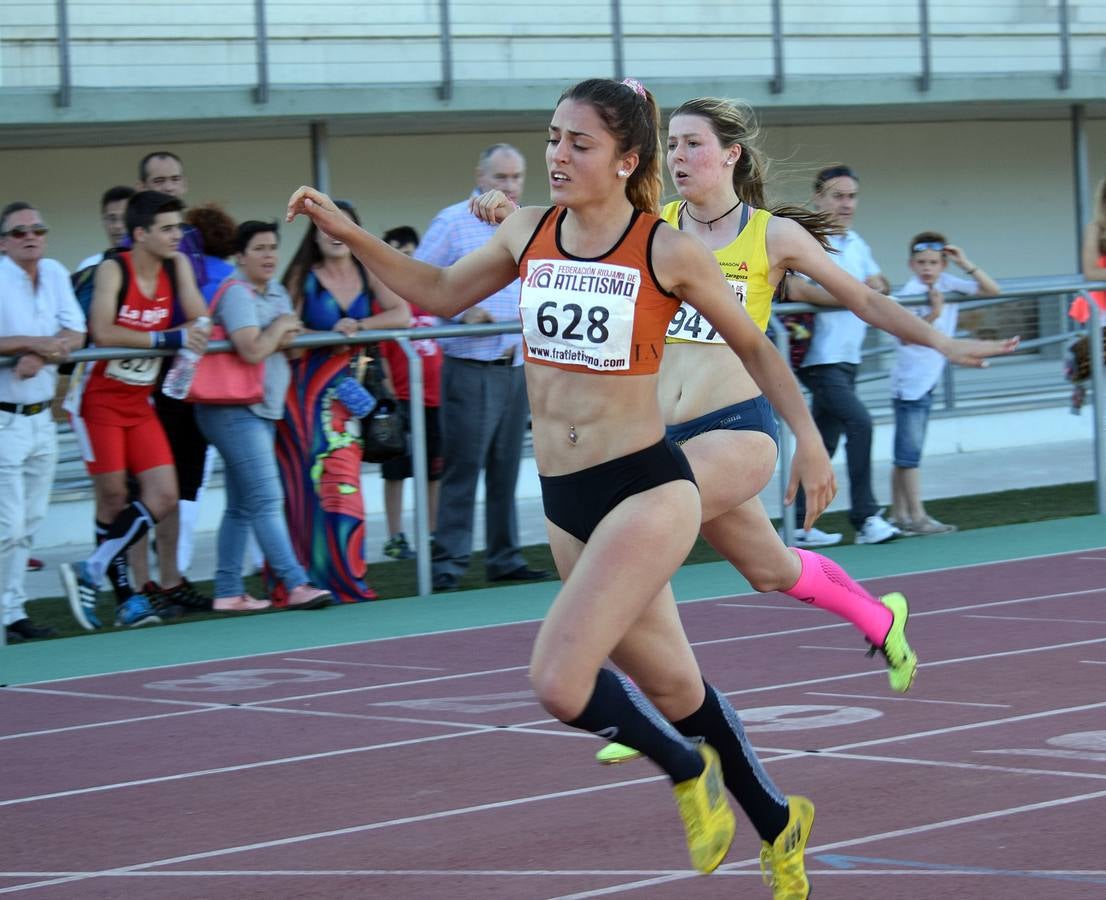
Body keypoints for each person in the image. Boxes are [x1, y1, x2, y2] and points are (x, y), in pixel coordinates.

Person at [289, 77, 842, 898]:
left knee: (557, 680)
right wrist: (350, 234)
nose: (556, 155)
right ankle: (777, 820)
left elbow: (757, 350)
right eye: (553, 138)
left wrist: (806, 442)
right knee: (673, 686)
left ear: (625, 160)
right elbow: (439, 292)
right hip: (564, 497)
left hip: (648, 487)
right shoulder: (528, 230)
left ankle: (689, 770)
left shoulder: (667, 250)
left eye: (578, 143)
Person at [475, 98, 1016, 772]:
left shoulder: (771, 236)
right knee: (770, 569)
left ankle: (647, 695)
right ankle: (882, 619)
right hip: (660, 434)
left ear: (730, 154)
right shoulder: (655, 227)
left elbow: (865, 300)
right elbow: (568, 230)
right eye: (670, 145)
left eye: (693, 145)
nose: (678, 159)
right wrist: (506, 218)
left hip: (732, 428)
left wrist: (944, 343)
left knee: (633, 537)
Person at [59, 191, 209, 629]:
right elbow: (103, 332)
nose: (176, 236)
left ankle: (92, 565)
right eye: (166, 228)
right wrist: (168, 338)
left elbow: (200, 323)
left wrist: (187, 330)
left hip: (139, 402)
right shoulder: (114, 268)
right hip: (97, 401)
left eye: (178, 227)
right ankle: (126, 599)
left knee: (163, 495)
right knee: (113, 499)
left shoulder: (175, 264)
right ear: (139, 234)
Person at [415, 144, 548, 591]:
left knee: (508, 466)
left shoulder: (528, 222)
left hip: (516, 364)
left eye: (516, 177)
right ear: (479, 175)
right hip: (471, 363)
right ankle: (448, 565)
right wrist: (458, 313)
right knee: (463, 468)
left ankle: (504, 556)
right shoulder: (453, 221)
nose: (510, 186)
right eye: (501, 177)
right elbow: (417, 280)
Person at [193, 221, 334, 612]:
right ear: (240, 256)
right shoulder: (237, 293)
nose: (269, 255)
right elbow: (252, 349)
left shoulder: (275, 293)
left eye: (273, 247)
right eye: (259, 248)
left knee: (241, 505)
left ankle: (227, 591)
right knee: (268, 498)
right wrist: (279, 328)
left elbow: (291, 350)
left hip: (262, 408)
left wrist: (280, 332)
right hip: (234, 410)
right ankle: (297, 583)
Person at [279, 199, 410, 603]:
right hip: (304, 397)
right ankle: (304, 578)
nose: (332, 234)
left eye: (340, 225)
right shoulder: (303, 275)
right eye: (323, 226)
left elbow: (401, 314)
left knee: (345, 481)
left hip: (350, 397)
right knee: (306, 485)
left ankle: (347, 576)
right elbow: (286, 330)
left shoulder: (367, 269)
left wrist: (359, 326)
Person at [792, 164, 900, 547]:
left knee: (824, 440)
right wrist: (855, 294)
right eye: (838, 196)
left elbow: (879, 283)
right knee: (861, 424)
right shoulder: (806, 239)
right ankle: (866, 517)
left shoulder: (856, 242)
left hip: (848, 357)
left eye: (852, 196)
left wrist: (876, 284)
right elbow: (798, 290)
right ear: (818, 198)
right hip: (818, 358)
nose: (846, 204)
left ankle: (800, 526)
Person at [132, 151, 214, 614]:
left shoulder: (193, 240)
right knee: (144, 487)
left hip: (184, 377)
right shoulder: (127, 249)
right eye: (158, 180)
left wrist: (196, 327)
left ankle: (171, 580)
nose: (168, 187)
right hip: (140, 379)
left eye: (175, 179)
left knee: (181, 484)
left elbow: (198, 305)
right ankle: (141, 585)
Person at [0, 202, 85, 643]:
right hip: (4, 419)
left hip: (41, 418)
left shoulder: (52, 272)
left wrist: (38, 352)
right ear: (3, 242)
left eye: (38, 229)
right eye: (19, 232)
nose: (30, 236)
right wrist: (35, 344)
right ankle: (7, 612)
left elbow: (77, 332)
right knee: (8, 525)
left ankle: (13, 612)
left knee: (30, 522)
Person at [890, 232, 1000, 534]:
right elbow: (904, 335)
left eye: (934, 262)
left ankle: (900, 514)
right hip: (910, 384)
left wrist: (964, 263)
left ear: (943, 264)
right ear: (912, 264)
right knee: (908, 456)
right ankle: (916, 516)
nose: (928, 268)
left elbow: (992, 291)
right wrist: (935, 313)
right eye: (922, 262)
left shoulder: (948, 283)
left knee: (906, 454)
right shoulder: (911, 291)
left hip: (927, 381)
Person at [378, 226, 445, 561]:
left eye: (409, 253)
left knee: (433, 470)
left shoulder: (427, 296)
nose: (404, 260)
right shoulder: (387, 300)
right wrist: (389, 392)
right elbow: (381, 352)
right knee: (396, 472)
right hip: (402, 400)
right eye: (397, 253)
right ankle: (395, 536)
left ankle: (431, 533)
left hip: (433, 399)